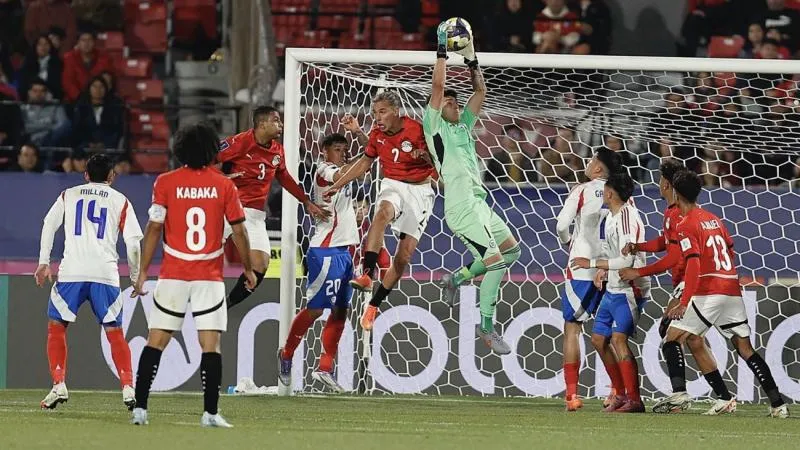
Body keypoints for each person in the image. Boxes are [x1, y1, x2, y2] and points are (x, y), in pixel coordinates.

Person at [131, 123, 256, 428]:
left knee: (156, 340)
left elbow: (154, 228)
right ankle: (210, 413)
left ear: (180, 149)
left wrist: (143, 271)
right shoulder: (225, 185)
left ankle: (140, 409)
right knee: (210, 345)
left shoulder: (165, 182)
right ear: (213, 150)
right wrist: (249, 269)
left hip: (173, 273)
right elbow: (239, 230)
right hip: (208, 276)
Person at [652, 169, 789, 418]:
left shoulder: (685, 224)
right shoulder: (714, 219)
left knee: (671, 338)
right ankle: (775, 404)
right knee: (742, 348)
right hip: (732, 288)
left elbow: (692, 265)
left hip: (709, 289)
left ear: (676, 192)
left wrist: (684, 301)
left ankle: (679, 394)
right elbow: (729, 250)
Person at [425, 21, 520, 354]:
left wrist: (471, 58)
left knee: (512, 251)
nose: (452, 104)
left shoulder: (464, 126)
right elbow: (437, 89)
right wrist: (442, 49)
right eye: (449, 102)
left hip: (480, 202)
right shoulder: (434, 126)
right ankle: (487, 328)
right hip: (461, 205)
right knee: (495, 263)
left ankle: (457, 278)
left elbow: (480, 92)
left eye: (454, 102)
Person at [619, 160, 736, 415]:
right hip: (687, 282)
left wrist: (637, 271)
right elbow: (665, 242)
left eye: (661, 179)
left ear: (668, 184)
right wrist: (639, 246)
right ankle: (723, 397)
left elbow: (674, 258)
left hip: (690, 281)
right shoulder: (672, 213)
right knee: (693, 340)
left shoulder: (678, 215)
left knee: (671, 334)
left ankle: (679, 396)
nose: (658, 183)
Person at [35, 153, 142, 410]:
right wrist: (136, 277)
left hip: (72, 272)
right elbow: (133, 244)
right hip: (105, 275)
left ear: (85, 175)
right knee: (114, 332)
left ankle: (59, 383)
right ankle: (128, 388)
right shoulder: (121, 201)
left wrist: (43, 262)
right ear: (111, 176)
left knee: (56, 326)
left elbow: (49, 223)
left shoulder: (69, 194)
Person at [327, 91, 435, 331]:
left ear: (396, 111)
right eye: (375, 113)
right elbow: (364, 164)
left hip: (420, 192)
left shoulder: (417, 130)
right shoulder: (377, 134)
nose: (377, 117)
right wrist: (336, 185)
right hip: (393, 184)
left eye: (382, 112)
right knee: (381, 213)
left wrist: (425, 156)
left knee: (403, 257)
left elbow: (437, 162)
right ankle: (366, 273)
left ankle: (374, 305)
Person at [219, 106, 329, 310]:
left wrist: (306, 202)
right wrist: (219, 178)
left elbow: (284, 176)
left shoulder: (277, 150)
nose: (281, 125)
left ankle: (225, 307)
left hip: (253, 215)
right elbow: (207, 160)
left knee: (260, 264)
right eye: (276, 121)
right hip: (227, 209)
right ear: (262, 124)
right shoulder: (240, 142)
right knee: (204, 255)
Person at [278, 134, 357, 393]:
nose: (343, 153)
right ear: (324, 152)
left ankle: (325, 367)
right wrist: (370, 153)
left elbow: (359, 166)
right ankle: (287, 353)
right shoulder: (325, 170)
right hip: (325, 250)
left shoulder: (344, 170)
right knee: (316, 310)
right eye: (337, 149)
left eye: (345, 149)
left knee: (341, 311)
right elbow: (354, 168)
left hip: (344, 251)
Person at [570, 171, 649, 413]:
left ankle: (634, 400)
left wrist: (593, 264)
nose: (602, 192)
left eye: (605, 189)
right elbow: (613, 251)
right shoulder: (613, 216)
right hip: (613, 287)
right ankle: (620, 393)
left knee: (618, 339)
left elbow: (626, 259)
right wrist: (603, 270)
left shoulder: (627, 217)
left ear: (611, 193)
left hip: (629, 289)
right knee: (598, 339)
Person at [554, 146, 620, 411]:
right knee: (608, 334)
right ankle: (617, 391)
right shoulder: (622, 195)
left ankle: (572, 395)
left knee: (572, 329)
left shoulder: (581, 190)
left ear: (596, 168)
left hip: (581, 267)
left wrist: (569, 242)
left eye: (591, 159)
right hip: (610, 267)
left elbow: (561, 224)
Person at [62, 28, 114, 103]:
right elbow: (68, 82)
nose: (86, 43)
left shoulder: (104, 58)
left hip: (99, 99)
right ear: (78, 43)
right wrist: (81, 98)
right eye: (83, 40)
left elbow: (107, 81)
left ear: (94, 42)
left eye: (90, 40)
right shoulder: (69, 58)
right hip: (75, 100)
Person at [72, 76, 124, 150]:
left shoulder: (114, 107)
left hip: (108, 148)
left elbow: (116, 130)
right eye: (94, 86)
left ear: (106, 89)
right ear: (89, 88)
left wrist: (104, 144)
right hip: (85, 149)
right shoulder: (81, 107)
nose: (98, 90)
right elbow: (77, 131)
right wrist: (88, 144)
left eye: (101, 87)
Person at [21, 78, 71, 147]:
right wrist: (49, 126)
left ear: (46, 93)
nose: (38, 94)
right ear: (29, 92)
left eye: (42, 91)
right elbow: (24, 128)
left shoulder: (55, 107)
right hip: (29, 143)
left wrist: (41, 133)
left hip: (51, 142)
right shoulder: (22, 109)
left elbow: (63, 124)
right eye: (35, 91)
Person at [19, 34, 63, 100]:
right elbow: (23, 85)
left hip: (51, 99)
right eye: (40, 44)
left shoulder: (57, 63)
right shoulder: (28, 63)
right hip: (29, 100)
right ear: (35, 47)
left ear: (50, 46)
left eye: (46, 44)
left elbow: (58, 86)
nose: (43, 47)